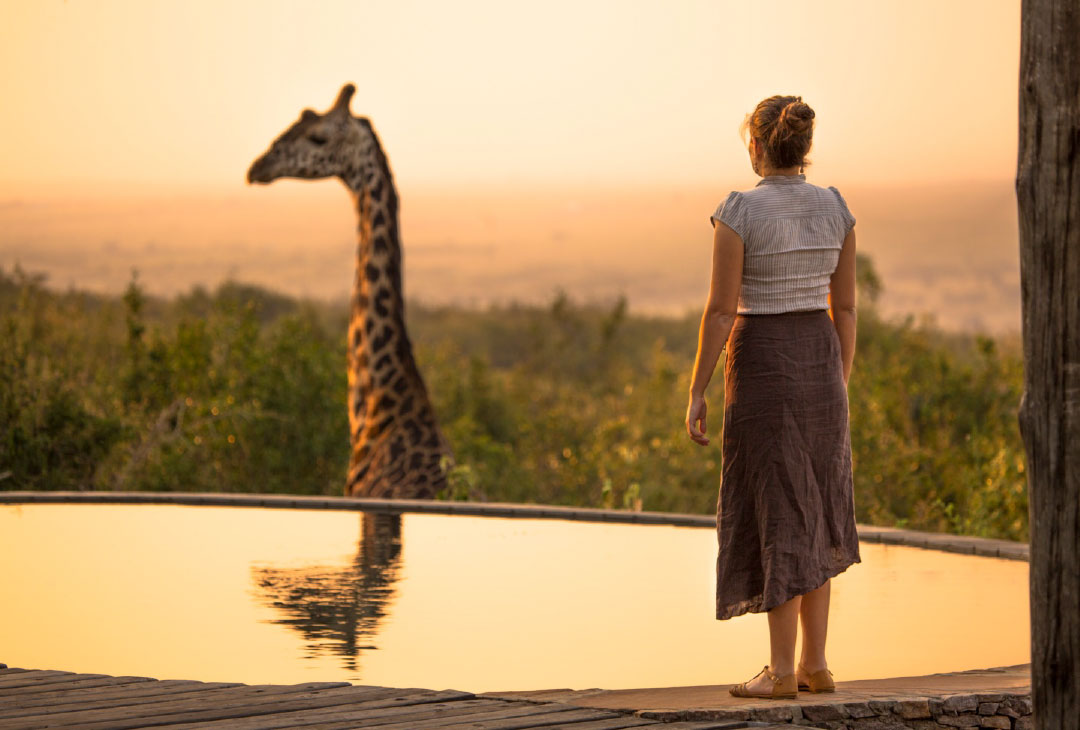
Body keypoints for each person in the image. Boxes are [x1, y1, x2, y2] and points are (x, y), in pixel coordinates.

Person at [685, 94, 861, 700]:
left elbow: (719, 312)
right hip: (820, 357)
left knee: (777, 508)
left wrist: (697, 390)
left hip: (761, 360)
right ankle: (816, 665)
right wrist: (837, 380)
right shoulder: (835, 207)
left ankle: (781, 671)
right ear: (804, 150)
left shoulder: (739, 212)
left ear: (757, 146)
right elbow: (848, 307)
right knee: (816, 504)